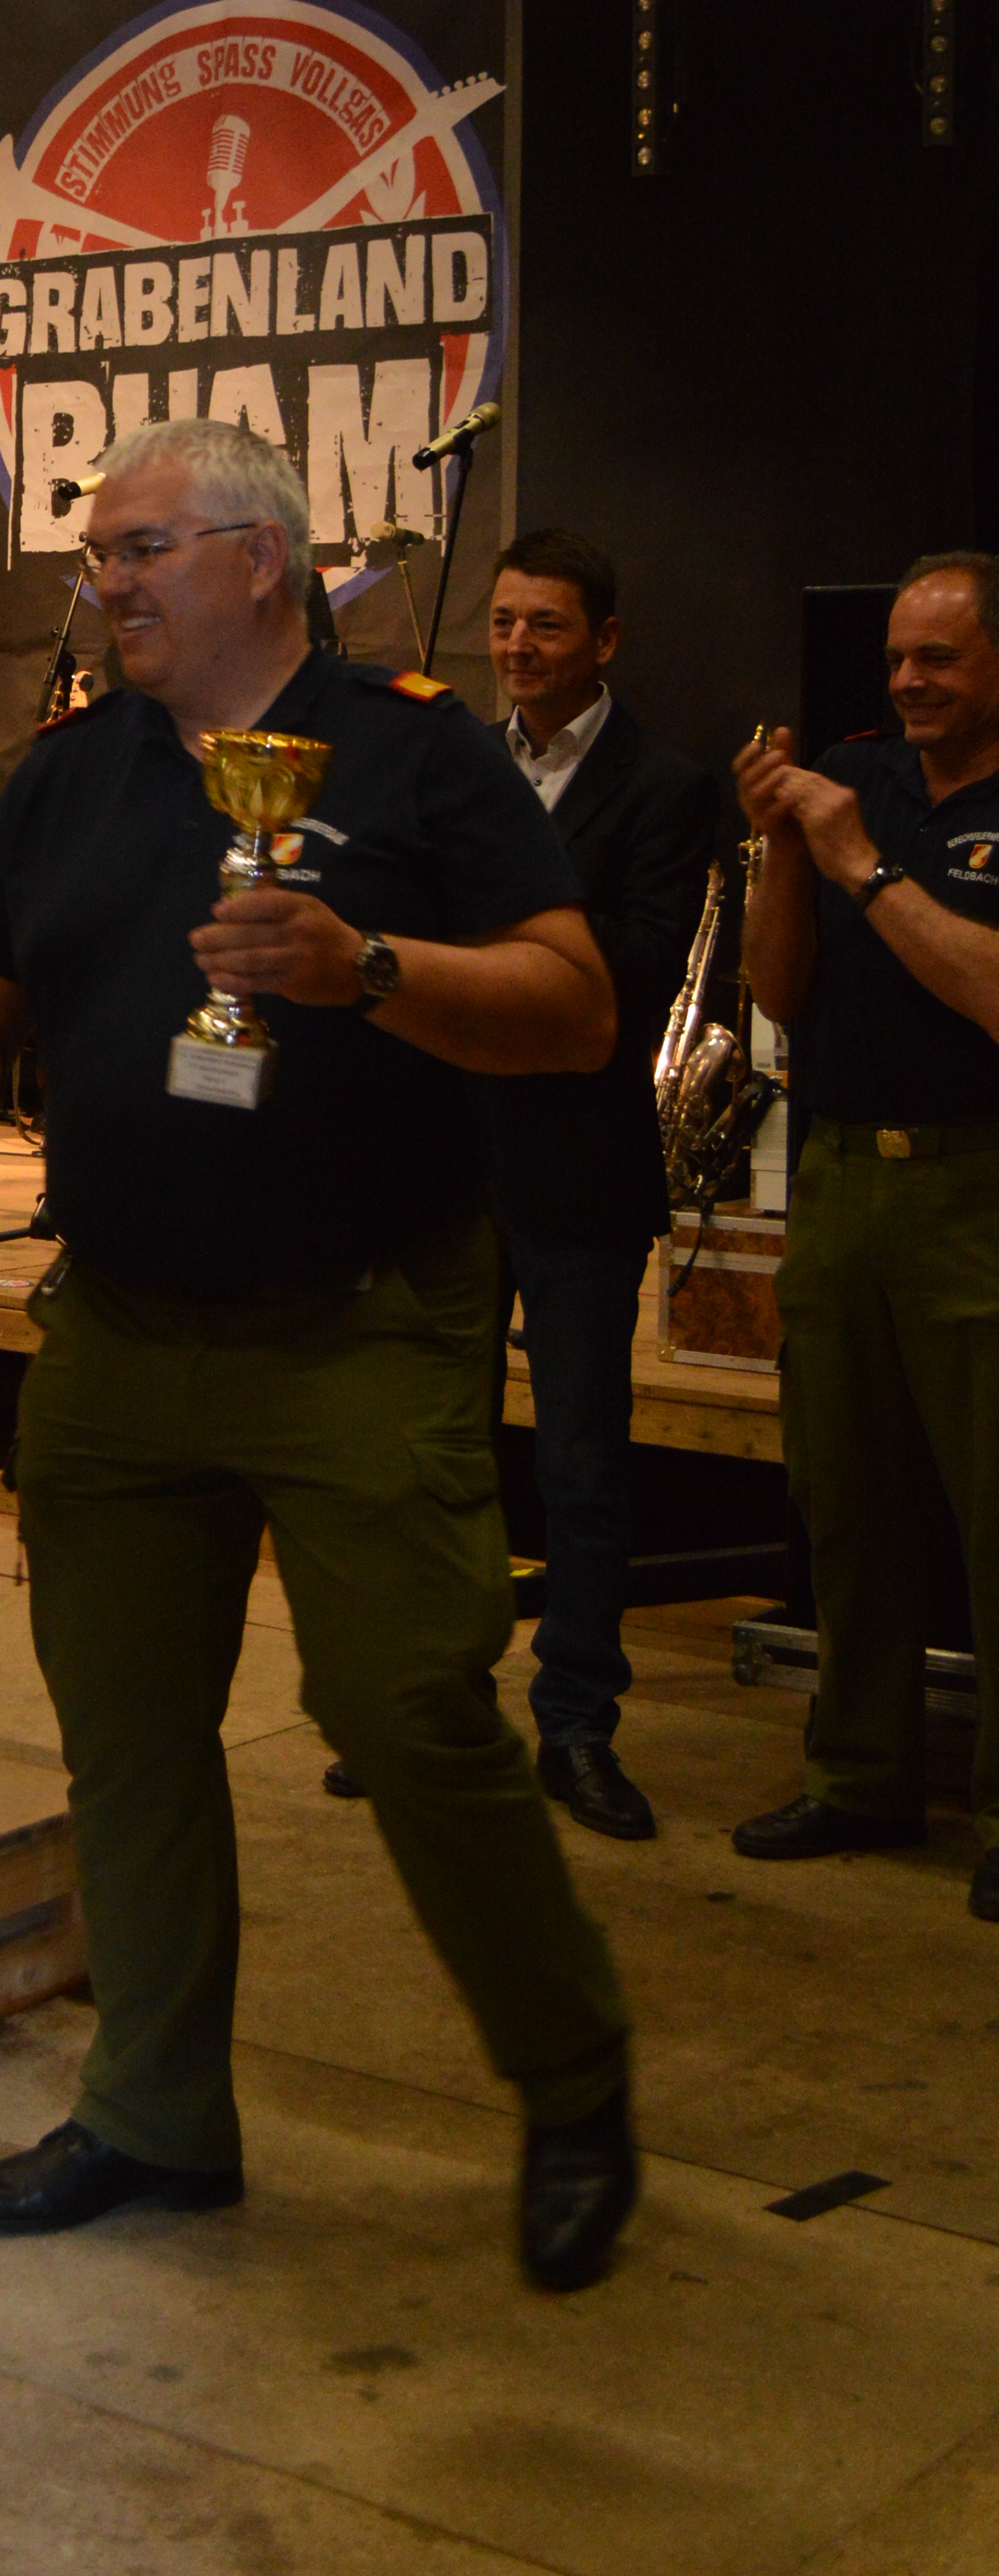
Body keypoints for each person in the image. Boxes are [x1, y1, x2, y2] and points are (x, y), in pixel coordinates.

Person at [0, 417, 639, 2293]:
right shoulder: (72, 767)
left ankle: (571, 2080)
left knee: (407, 1716)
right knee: (126, 1738)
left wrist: (363, 967)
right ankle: (153, 2115)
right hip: (120, 1328)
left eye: (140, 550)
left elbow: (572, 1007)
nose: (107, 584)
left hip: (357, 1328)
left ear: (259, 558)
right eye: (96, 557)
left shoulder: (417, 750)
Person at [731, 550, 999, 1923]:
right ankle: (860, 1773)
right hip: (838, 1180)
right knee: (848, 1501)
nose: (908, 681)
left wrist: (854, 858)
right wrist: (786, 847)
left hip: (976, 1190)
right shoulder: (856, 775)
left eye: (938, 657)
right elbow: (778, 991)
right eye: (898, 656)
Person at [480, 526, 722, 1843]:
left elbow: (633, 971)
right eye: (505, 622)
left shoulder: (665, 785)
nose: (519, 647)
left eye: (548, 625)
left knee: (581, 1466)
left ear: (605, 640)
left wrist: (480, 962)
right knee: (440, 1455)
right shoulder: (463, 763)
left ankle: (577, 1724)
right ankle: (445, 1711)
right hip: (451, 1164)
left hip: (580, 1165)